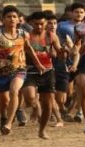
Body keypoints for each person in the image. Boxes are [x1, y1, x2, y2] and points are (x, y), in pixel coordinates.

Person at [0, 6, 46, 135]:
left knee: (14, 91)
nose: (12, 19)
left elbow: (29, 49)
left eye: (14, 17)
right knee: (4, 102)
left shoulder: (24, 34)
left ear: (18, 19)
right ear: (3, 19)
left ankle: (9, 123)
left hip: (19, 69)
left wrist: (38, 64)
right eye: (8, 17)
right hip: (1, 72)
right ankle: (3, 115)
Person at [21, 11, 63, 139]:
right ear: (31, 23)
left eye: (41, 24)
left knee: (48, 105)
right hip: (30, 71)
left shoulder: (51, 36)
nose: (39, 26)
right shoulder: (26, 36)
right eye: (36, 24)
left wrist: (65, 51)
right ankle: (35, 107)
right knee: (30, 97)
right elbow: (25, 51)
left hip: (48, 72)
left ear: (45, 23)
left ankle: (42, 130)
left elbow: (59, 54)